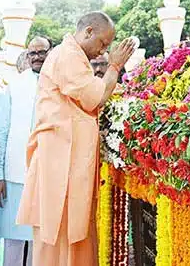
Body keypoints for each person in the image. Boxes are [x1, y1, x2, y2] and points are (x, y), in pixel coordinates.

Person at [17, 13, 136, 266]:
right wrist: (114, 66)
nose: (103, 52)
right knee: (60, 235)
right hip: (60, 162)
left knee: (73, 232)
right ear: (88, 32)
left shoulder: (72, 55)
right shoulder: (68, 56)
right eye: (103, 44)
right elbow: (97, 97)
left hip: (66, 160)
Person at [0, 38, 51, 266]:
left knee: (41, 241)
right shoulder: (15, 85)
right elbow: (2, 132)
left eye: (42, 52)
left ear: (51, 53)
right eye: (32, 53)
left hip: (48, 176)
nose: (37, 57)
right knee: (13, 243)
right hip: (15, 176)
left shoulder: (61, 83)